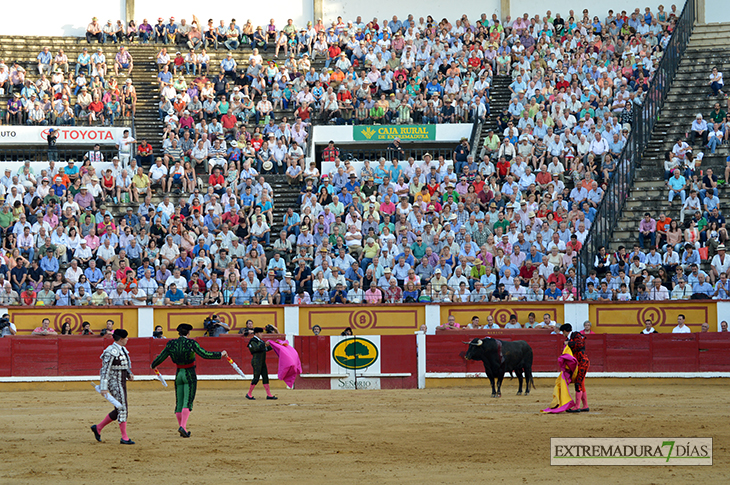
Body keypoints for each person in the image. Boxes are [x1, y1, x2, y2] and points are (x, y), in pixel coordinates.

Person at [150, 323, 228, 437]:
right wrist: (220, 354)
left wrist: (153, 365)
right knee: (187, 401)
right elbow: (205, 354)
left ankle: (182, 428)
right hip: (189, 374)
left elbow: (161, 357)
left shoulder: (171, 344)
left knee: (179, 402)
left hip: (179, 374)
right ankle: (183, 427)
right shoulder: (191, 343)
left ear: (179, 332)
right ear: (188, 332)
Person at [90, 329, 135, 445]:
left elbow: (124, 365)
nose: (127, 339)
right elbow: (104, 370)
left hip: (122, 381)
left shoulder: (122, 350)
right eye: (126, 337)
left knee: (118, 408)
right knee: (122, 408)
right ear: (121, 339)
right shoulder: (110, 351)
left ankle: (98, 428)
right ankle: (124, 437)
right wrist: (104, 387)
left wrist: (129, 373)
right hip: (114, 382)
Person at [561, 323, 590, 413]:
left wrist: (569, 343)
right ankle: (585, 406)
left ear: (565, 331)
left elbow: (581, 343)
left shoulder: (576, 334)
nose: (563, 334)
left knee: (578, 383)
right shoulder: (569, 338)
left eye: (563, 332)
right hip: (579, 363)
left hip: (583, 362)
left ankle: (577, 406)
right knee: (581, 384)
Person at [246, 327, 277, 400]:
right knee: (256, 378)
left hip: (262, 362)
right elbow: (256, 349)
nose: (261, 334)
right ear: (256, 333)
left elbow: (265, 349)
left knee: (265, 377)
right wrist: (264, 345)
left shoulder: (261, 341)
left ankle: (269, 395)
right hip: (256, 362)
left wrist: (273, 345)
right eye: (260, 333)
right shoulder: (252, 341)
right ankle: (249, 393)